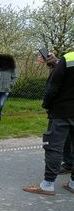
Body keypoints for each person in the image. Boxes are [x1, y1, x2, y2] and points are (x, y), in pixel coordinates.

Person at [23, 50, 74, 195]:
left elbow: (53, 86)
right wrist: (56, 62)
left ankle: (47, 185)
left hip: (62, 110)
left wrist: (46, 104)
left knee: (54, 147)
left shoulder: (69, 58)